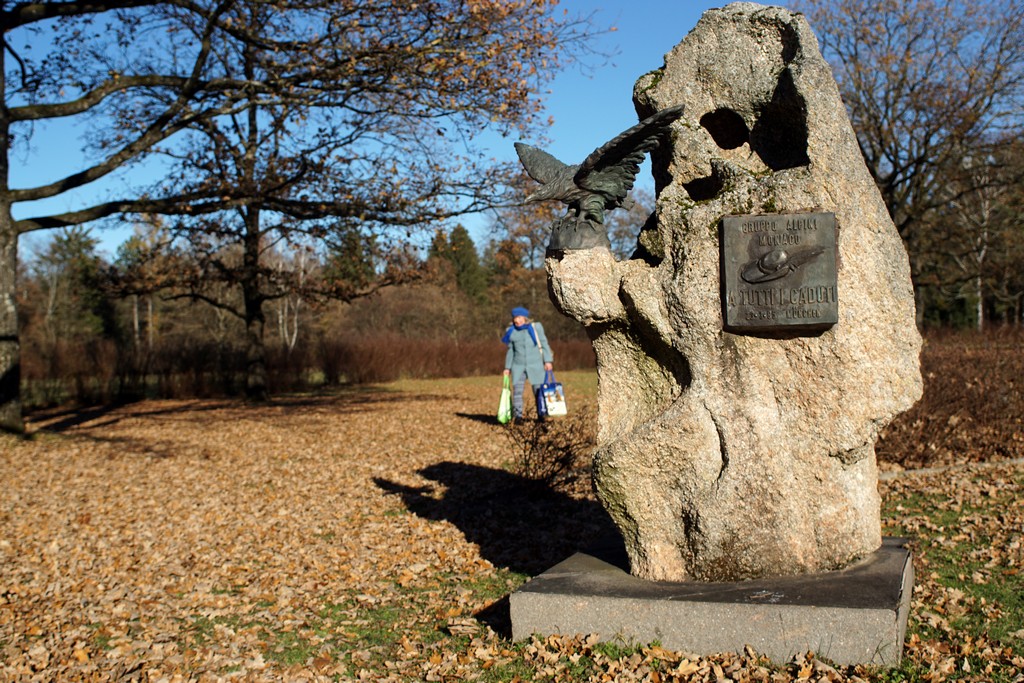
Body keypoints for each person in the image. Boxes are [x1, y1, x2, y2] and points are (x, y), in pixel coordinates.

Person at [501, 306, 553, 421]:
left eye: (519, 317)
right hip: (518, 366)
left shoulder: (536, 327)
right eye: (514, 318)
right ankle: (518, 418)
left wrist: (548, 360)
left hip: (536, 365)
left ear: (525, 318)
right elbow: (511, 350)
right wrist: (507, 367)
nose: (516, 320)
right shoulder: (511, 331)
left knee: (539, 393)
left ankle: (542, 417)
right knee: (517, 393)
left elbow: (544, 343)